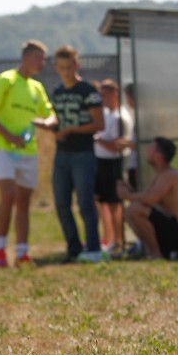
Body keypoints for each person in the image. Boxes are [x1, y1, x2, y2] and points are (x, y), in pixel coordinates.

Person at [0, 40, 54, 268]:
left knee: (23, 201)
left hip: (28, 151)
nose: (42, 63)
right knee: (8, 194)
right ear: (25, 57)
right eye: (38, 58)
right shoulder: (6, 80)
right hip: (4, 149)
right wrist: (9, 137)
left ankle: (22, 251)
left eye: (44, 59)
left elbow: (51, 115)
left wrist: (46, 123)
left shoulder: (37, 88)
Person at [44, 45, 105, 263]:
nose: (66, 72)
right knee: (61, 203)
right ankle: (74, 249)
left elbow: (99, 123)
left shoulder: (88, 91)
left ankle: (94, 249)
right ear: (56, 68)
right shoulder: (58, 93)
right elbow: (57, 118)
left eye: (69, 67)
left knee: (85, 204)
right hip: (62, 155)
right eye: (61, 68)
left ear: (77, 65)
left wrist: (71, 130)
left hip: (83, 154)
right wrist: (48, 125)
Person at [117, 137, 178, 260]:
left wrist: (127, 195)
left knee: (135, 210)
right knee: (130, 212)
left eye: (150, 149)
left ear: (159, 155)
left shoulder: (170, 175)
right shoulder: (160, 175)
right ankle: (150, 251)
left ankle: (155, 254)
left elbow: (151, 199)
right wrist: (129, 190)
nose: (147, 152)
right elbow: (145, 197)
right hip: (170, 227)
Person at [94, 79, 131, 253]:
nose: (102, 98)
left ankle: (118, 240)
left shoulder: (119, 117)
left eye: (105, 94)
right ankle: (108, 239)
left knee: (115, 204)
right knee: (104, 203)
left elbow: (116, 146)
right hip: (102, 162)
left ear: (115, 94)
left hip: (113, 163)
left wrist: (96, 139)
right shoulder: (107, 113)